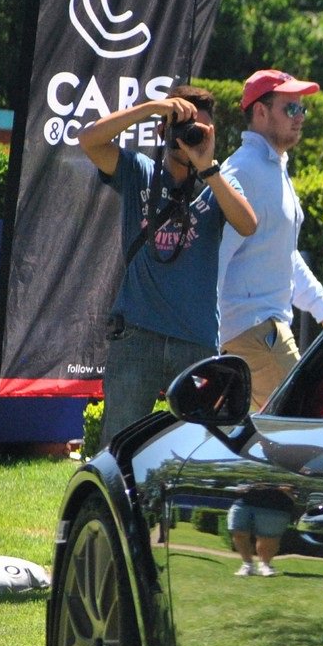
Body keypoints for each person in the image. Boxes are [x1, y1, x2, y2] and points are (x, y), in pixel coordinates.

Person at [79, 84, 257, 438]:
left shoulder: (220, 182)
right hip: (137, 335)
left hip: (196, 337)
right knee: (119, 443)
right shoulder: (139, 171)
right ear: (163, 131)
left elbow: (248, 224)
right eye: (182, 127)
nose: (189, 137)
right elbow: (89, 140)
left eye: (200, 129)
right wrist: (151, 108)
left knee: (202, 444)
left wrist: (208, 168)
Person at [218, 69, 321, 408]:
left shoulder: (272, 166)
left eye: (303, 109)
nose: (301, 117)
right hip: (254, 331)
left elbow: (284, 256)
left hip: (263, 331)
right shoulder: (243, 171)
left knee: (260, 437)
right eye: (290, 108)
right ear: (260, 112)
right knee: (305, 418)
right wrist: (207, 339)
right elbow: (216, 259)